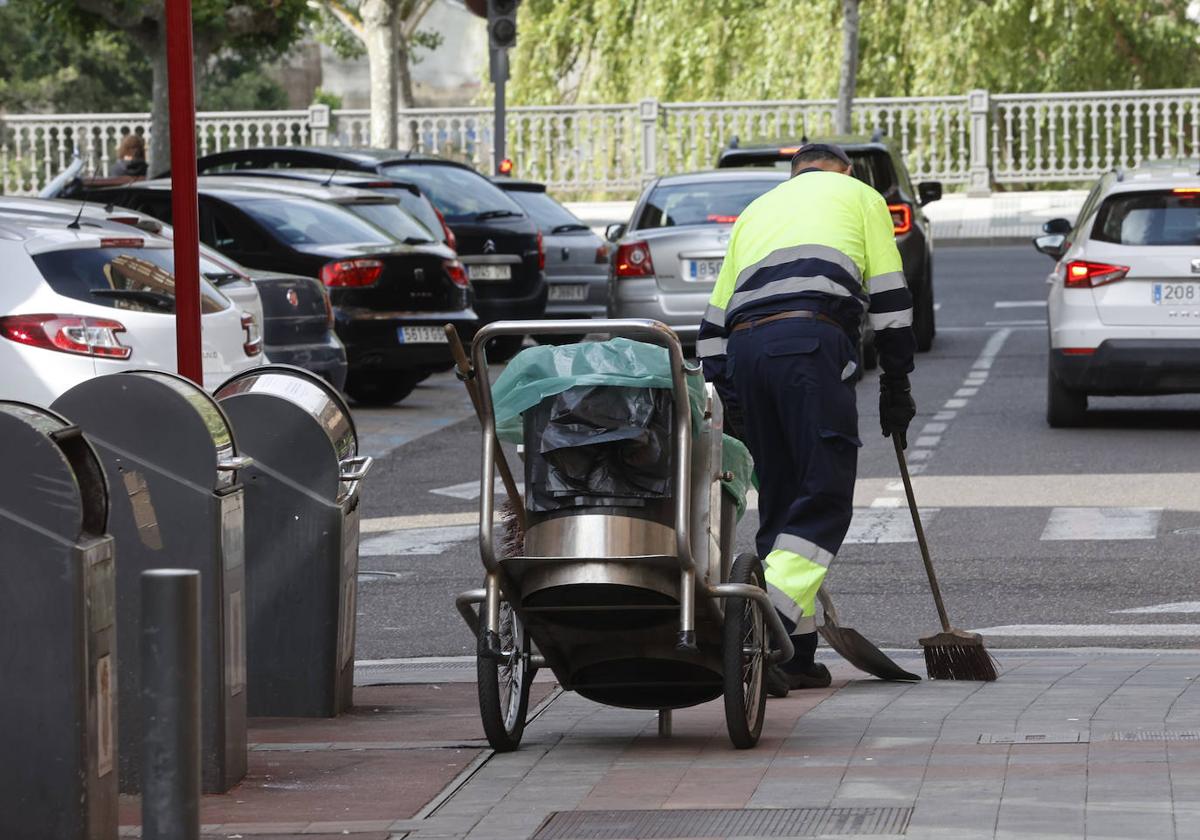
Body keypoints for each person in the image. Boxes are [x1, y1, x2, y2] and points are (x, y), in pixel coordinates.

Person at [697, 142, 917, 692]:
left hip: (745, 352)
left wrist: (735, 401)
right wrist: (897, 383)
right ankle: (762, 632)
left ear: (795, 174)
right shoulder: (860, 195)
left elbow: (711, 325)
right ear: (843, 171)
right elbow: (890, 297)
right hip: (811, 343)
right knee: (822, 495)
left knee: (783, 497)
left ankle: (797, 654)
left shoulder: (757, 210)